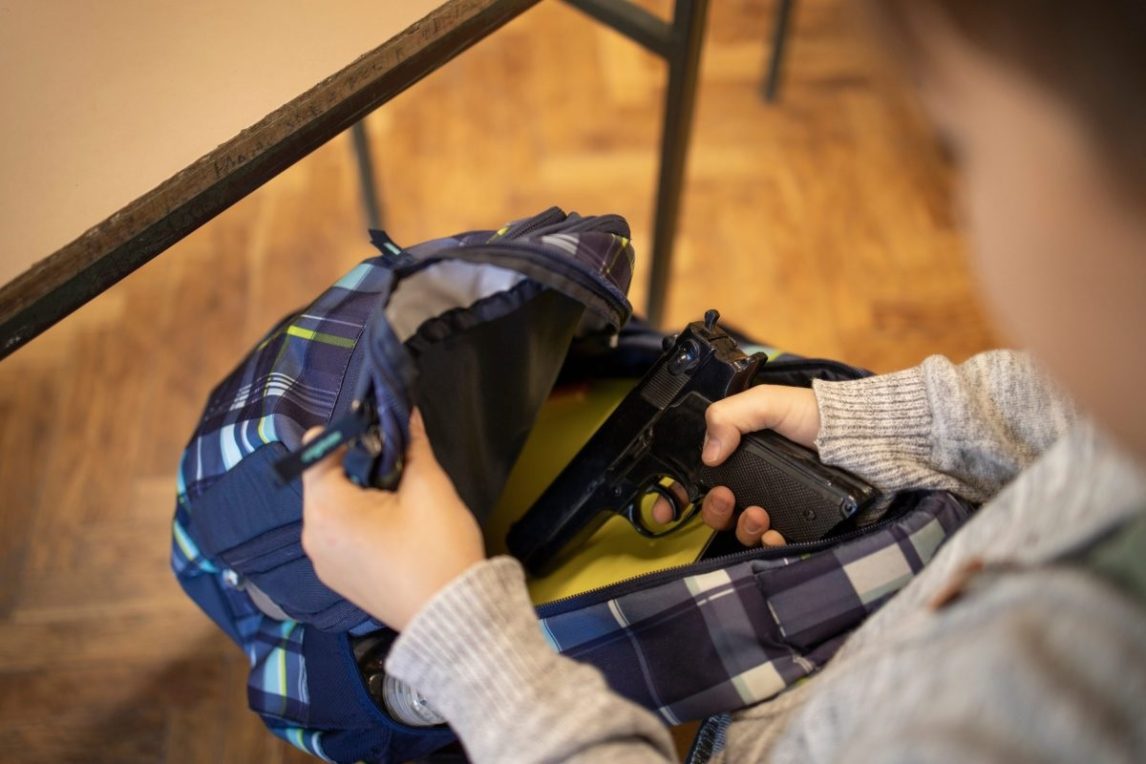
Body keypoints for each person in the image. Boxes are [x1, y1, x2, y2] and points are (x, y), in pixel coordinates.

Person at [300, 1, 1146, 760]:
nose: (957, 203)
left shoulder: (1031, 707)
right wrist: (842, 415)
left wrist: (464, 635)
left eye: (958, 148)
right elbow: (1057, 412)